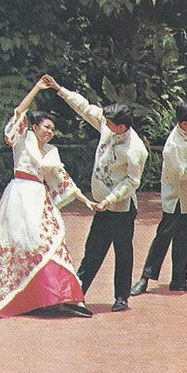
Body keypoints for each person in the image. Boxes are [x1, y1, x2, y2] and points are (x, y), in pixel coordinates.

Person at [0, 78, 96, 319]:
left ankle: (58, 297)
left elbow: (62, 178)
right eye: (46, 127)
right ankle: (25, 297)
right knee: (23, 244)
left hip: (39, 198)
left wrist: (85, 200)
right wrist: (37, 88)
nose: (49, 132)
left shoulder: (51, 152)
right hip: (19, 194)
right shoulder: (21, 140)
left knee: (49, 243)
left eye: (52, 129)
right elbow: (19, 112)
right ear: (34, 126)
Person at [44, 75, 148, 313]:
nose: (106, 124)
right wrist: (60, 89)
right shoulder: (107, 126)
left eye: (111, 124)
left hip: (121, 208)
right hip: (102, 205)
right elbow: (84, 107)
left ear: (122, 127)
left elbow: (132, 182)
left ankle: (121, 297)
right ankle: (77, 292)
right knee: (94, 249)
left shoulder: (135, 150)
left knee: (123, 251)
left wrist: (109, 200)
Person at [130, 101, 187, 295]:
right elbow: (184, 172)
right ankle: (145, 278)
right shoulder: (173, 145)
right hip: (174, 199)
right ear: (184, 122)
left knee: (183, 239)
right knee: (163, 237)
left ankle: (178, 278)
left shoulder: (186, 133)